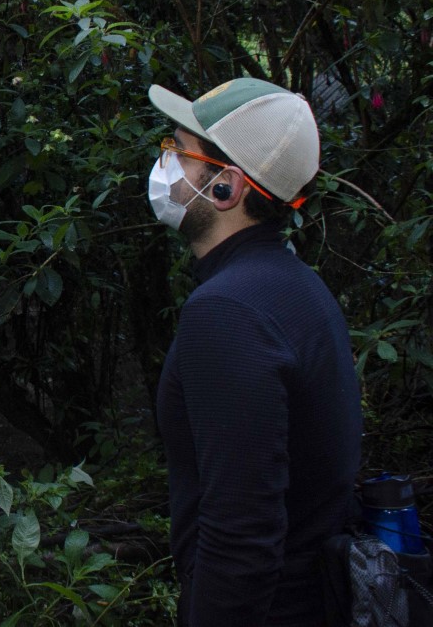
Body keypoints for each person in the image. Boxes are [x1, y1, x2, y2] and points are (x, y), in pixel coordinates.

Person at [146, 77, 362, 627]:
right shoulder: (295, 287)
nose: (164, 164)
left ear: (226, 187)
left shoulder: (228, 313)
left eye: (177, 151)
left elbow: (239, 542)